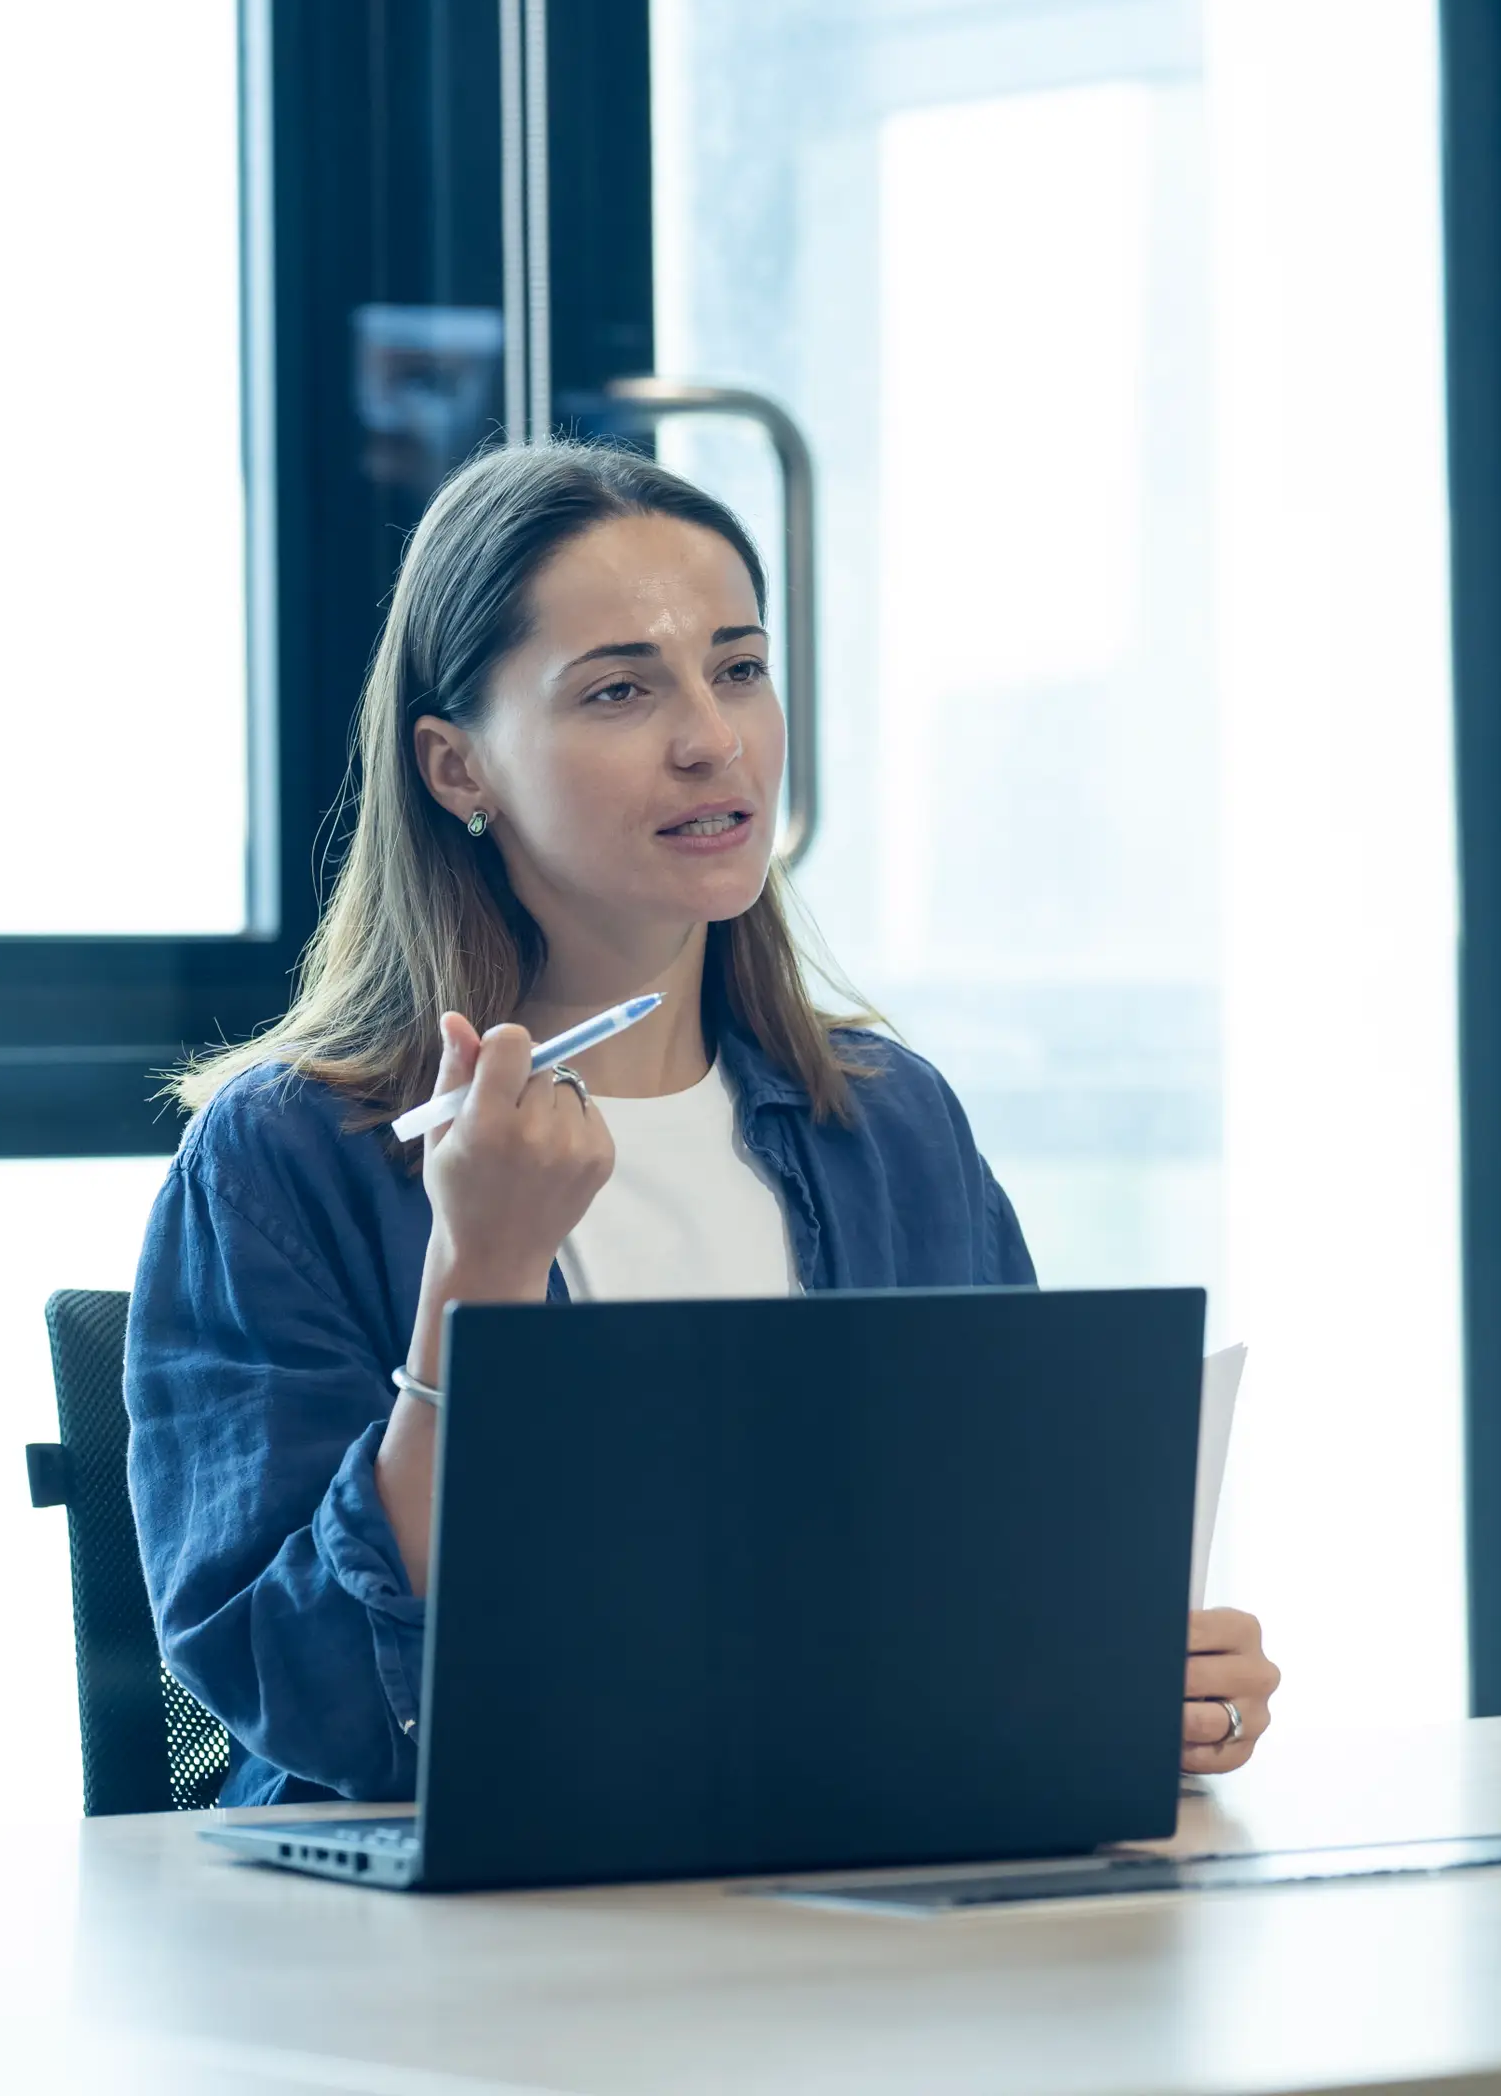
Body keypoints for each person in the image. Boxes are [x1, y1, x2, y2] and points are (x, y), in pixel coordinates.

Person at [130, 440, 1278, 1805]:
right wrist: (478, 1274)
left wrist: (1127, 1683)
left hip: (847, 1877)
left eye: (739, 669)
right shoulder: (286, 1158)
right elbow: (309, 1696)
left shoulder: (892, 1127)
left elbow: (996, 1591)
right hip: (468, 1910)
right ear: (456, 768)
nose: (713, 740)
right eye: (620, 690)